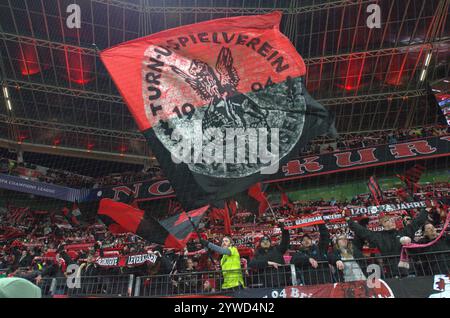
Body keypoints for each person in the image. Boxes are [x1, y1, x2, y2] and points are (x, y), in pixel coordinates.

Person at [343, 203, 432, 278]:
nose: (392, 221)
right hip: (392, 273)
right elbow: (363, 231)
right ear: (383, 224)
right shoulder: (378, 236)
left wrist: (427, 209)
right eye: (388, 220)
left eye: (392, 219)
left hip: (410, 271)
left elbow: (416, 223)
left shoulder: (403, 232)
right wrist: (348, 220)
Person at [248, 220, 290, 288]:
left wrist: (283, 227)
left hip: (282, 282)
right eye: (263, 241)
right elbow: (251, 264)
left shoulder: (278, 249)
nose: (265, 242)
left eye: (267, 241)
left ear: (271, 243)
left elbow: (285, 241)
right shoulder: (258, 253)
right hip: (266, 285)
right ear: (260, 244)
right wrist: (268, 263)